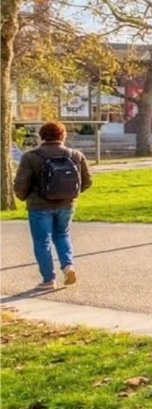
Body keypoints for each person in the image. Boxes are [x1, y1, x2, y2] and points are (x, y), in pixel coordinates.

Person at [13, 121, 92, 290]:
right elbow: (87, 181)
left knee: (42, 242)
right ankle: (68, 265)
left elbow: (20, 185)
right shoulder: (76, 155)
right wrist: (70, 195)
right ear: (63, 135)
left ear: (42, 136)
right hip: (66, 204)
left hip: (39, 206)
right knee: (62, 235)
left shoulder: (31, 156)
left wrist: (24, 197)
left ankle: (48, 279)